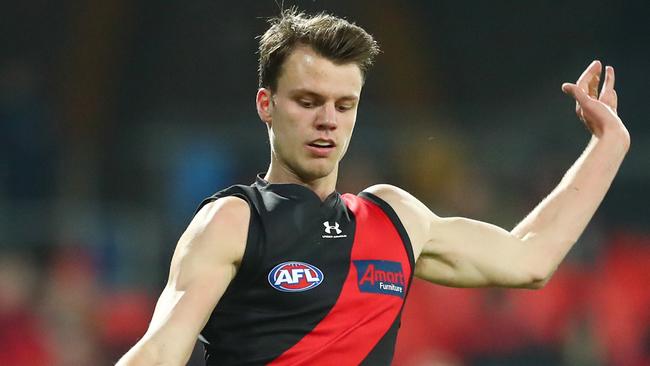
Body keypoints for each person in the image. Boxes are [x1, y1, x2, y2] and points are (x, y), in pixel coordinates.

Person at [117, 9, 630, 366]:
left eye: (344, 105)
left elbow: (529, 259)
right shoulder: (233, 221)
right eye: (308, 101)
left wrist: (608, 145)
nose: (327, 121)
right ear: (265, 105)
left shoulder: (394, 217)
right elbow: (162, 350)